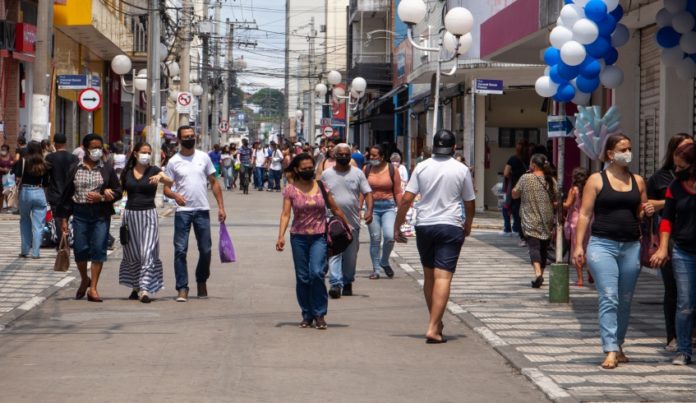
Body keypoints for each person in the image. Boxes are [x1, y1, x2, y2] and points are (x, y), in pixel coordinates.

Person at [574, 133, 654, 369]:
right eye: (622, 149)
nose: (627, 153)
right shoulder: (596, 180)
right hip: (602, 245)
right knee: (609, 297)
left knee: (625, 300)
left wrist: (646, 209)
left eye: (629, 148)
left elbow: (639, 211)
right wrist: (578, 245)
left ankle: (618, 345)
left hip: (631, 246)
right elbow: (585, 214)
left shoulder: (638, 181)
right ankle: (609, 349)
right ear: (610, 154)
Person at [394, 129, 475, 343]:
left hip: (425, 226)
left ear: (434, 147)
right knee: (443, 277)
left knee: (429, 276)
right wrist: (468, 224)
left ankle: (436, 323)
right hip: (450, 226)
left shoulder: (421, 167)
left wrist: (398, 224)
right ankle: (433, 326)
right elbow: (469, 201)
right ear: (454, 147)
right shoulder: (461, 169)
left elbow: (407, 198)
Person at [276, 153, 350, 329]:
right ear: (296, 169)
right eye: (305, 169)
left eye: (311, 168)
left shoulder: (321, 186)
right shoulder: (290, 190)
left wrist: (347, 227)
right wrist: (281, 236)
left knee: (316, 273)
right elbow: (286, 214)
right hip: (298, 238)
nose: (309, 171)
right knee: (302, 277)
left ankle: (319, 314)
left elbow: (334, 207)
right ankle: (307, 314)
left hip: (319, 236)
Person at [56, 134, 123, 302]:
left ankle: (93, 288)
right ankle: (84, 279)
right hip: (79, 213)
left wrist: (105, 196)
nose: (97, 151)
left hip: (100, 214)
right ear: (85, 149)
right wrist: (64, 218)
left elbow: (118, 191)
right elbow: (66, 195)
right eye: (93, 148)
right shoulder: (75, 168)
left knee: (99, 249)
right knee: (80, 249)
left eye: (99, 147)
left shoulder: (106, 168)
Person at [164, 125, 227, 302]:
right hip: (183, 212)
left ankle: (201, 280)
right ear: (179, 139)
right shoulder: (173, 161)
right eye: (186, 136)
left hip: (202, 210)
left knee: (206, 250)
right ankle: (182, 288)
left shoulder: (203, 157)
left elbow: (214, 183)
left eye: (192, 136)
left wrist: (221, 207)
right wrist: (176, 196)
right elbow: (166, 189)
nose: (189, 138)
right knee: (180, 250)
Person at [647, 133, 694, 352]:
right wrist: (662, 246)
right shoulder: (670, 183)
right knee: (681, 298)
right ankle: (680, 345)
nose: (677, 170)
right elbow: (665, 218)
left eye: (681, 166)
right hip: (680, 247)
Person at [119, 142, 174, 303]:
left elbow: (170, 182)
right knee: (132, 253)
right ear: (135, 153)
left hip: (149, 215)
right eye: (143, 152)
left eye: (149, 152)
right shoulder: (127, 172)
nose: (146, 155)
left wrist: (162, 177)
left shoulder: (154, 170)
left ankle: (144, 288)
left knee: (147, 252)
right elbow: (118, 190)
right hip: (130, 216)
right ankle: (135, 286)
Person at [321, 143, 373, 298]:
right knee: (335, 252)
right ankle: (336, 284)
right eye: (341, 154)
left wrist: (369, 210)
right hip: (333, 220)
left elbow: (368, 193)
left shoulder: (358, 173)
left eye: (346, 154)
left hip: (353, 221)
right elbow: (321, 196)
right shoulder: (326, 174)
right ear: (334, 155)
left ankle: (348, 280)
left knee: (350, 256)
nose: (344, 157)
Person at [512, 153, 557, 289]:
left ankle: (538, 274)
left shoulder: (526, 178)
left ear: (534, 165)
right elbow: (556, 198)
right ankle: (541, 274)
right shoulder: (551, 180)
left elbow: (514, 194)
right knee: (543, 247)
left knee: (533, 247)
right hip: (547, 218)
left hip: (530, 218)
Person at [365, 144, 402, 279]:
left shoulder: (392, 169)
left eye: (374, 155)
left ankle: (384, 261)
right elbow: (362, 191)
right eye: (370, 155)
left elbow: (398, 191)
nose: (371, 157)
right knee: (375, 238)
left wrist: (402, 211)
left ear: (382, 157)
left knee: (390, 237)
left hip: (388, 207)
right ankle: (376, 270)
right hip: (372, 208)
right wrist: (359, 209)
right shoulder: (367, 169)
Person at [15, 141, 50, 259]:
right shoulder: (44, 163)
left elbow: (18, 177)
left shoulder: (23, 160)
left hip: (25, 191)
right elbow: (46, 183)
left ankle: (25, 250)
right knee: (38, 224)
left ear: (28, 149)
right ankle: (36, 252)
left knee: (24, 220)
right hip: (39, 192)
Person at [46, 133, 79, 244]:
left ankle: (62, 243)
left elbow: (46, 176)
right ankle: (72, 240)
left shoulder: (50, 157)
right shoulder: (74, 158)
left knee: (58, 218)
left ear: (55, 143)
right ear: (65, 143)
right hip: (71, 192)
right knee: (71, 218)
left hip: (55, 192)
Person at [563, 167, 592, 287]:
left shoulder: (574, 190)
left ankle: (580, 279)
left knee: (577, 249)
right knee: (589, 248)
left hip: (576, 222)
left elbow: (567, 204)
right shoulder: (590, 189)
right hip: (590, 221)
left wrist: (559, 203)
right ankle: (591, 272)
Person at [504, 139, 529, 246]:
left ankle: (521, 236)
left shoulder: (513, 159)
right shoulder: (529, 159)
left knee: (517, 212)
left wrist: (513, 177)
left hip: (516, 188)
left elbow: (506, 173)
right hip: (528, 188)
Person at [0, 144, 13, 209]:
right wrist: (3, 169)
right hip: (0, 176)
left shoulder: (10, 157)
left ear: (8, 150)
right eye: (2, 149)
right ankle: (1, 207)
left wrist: (9, 169)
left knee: (8, 191)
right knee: (1, 191)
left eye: (4, 149)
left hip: (8, 176)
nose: (3, 151)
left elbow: (12, 165)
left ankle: (8, 206)